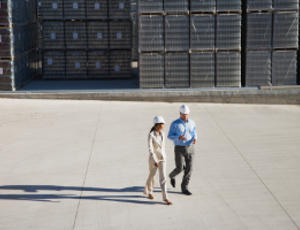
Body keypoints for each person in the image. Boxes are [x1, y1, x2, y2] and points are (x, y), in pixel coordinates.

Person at [168, 105, 197, 195]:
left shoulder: (192, 123)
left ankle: (184, 187)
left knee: (189, 169)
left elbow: (194, 132)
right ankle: (171, 176)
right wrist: (178, 137)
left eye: (187, 114)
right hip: (179, 148)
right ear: (180, 113)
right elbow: (169, 135)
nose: (185, 116)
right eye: (183, 114)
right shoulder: (175, 123)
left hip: (190, 147)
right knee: (180, 168)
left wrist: (195, 138)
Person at [144, 116, 172, 205]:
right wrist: (155, 160)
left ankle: (165, 197)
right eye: (162, 124)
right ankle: (150, 192)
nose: (164, 125)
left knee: (163, 178)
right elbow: (150, 149)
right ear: (158, 125)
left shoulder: (162, 134)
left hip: (162, 158)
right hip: (154, 159)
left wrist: (163, 156)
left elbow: (162, 147)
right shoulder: (151, 135)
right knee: (152, 176)